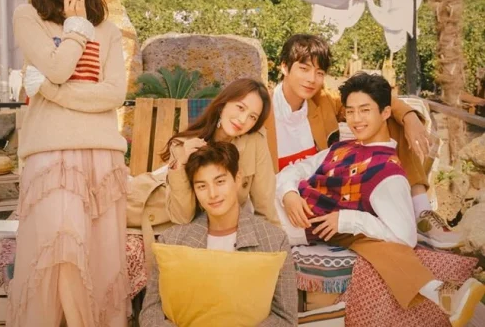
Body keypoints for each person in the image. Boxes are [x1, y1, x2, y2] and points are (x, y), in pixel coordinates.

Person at [276, 73, 485, 326]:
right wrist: (289, 194)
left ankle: (441, 294)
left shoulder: (387, 173)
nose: (356, 119)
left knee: (367, 237)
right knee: (364, 237)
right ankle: (438, 292)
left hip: (289, 226)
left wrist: (347, 219)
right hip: (276, 204)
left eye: (365, 110)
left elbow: (405, 237)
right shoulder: (341, 148)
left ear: (386, 112)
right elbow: (294, 170)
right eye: (350, 111)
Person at [7, 0, 129, 326]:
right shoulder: (28, 17)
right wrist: (76, 28)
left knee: (98, 260)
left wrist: (49, 90)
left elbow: (113, 94)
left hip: (101, 153)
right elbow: (59, 68)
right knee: (58, 254)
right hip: (49, 153)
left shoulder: (108, 30)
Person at [265, 33, 461, 248]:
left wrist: (409, 117)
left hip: (323, 191)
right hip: (280, 193)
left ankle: (421, 210)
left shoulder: (323, 101)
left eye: (319, 73)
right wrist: (287, 193)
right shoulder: (261, 109)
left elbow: (372, 95)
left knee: (386, 118)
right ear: (284, 67)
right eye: (304, 69)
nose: (311, 79)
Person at [140, 142, 297, 326]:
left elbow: (285, 318)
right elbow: (150, 312)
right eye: (202, 186)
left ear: (237, 179)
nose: (212, 194)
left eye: (220, 182)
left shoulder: (274, 241)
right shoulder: (172, 241)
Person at [161, 78, 280, 226]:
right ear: (223, 104)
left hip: (227, 225)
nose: (243, 120)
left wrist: (276, 238)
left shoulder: (254, 141)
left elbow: (266, 207)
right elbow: (182, 218)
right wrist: (182, 164)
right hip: (174, 221)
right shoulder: (182, 146)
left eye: (252, 117)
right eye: (240, 108)